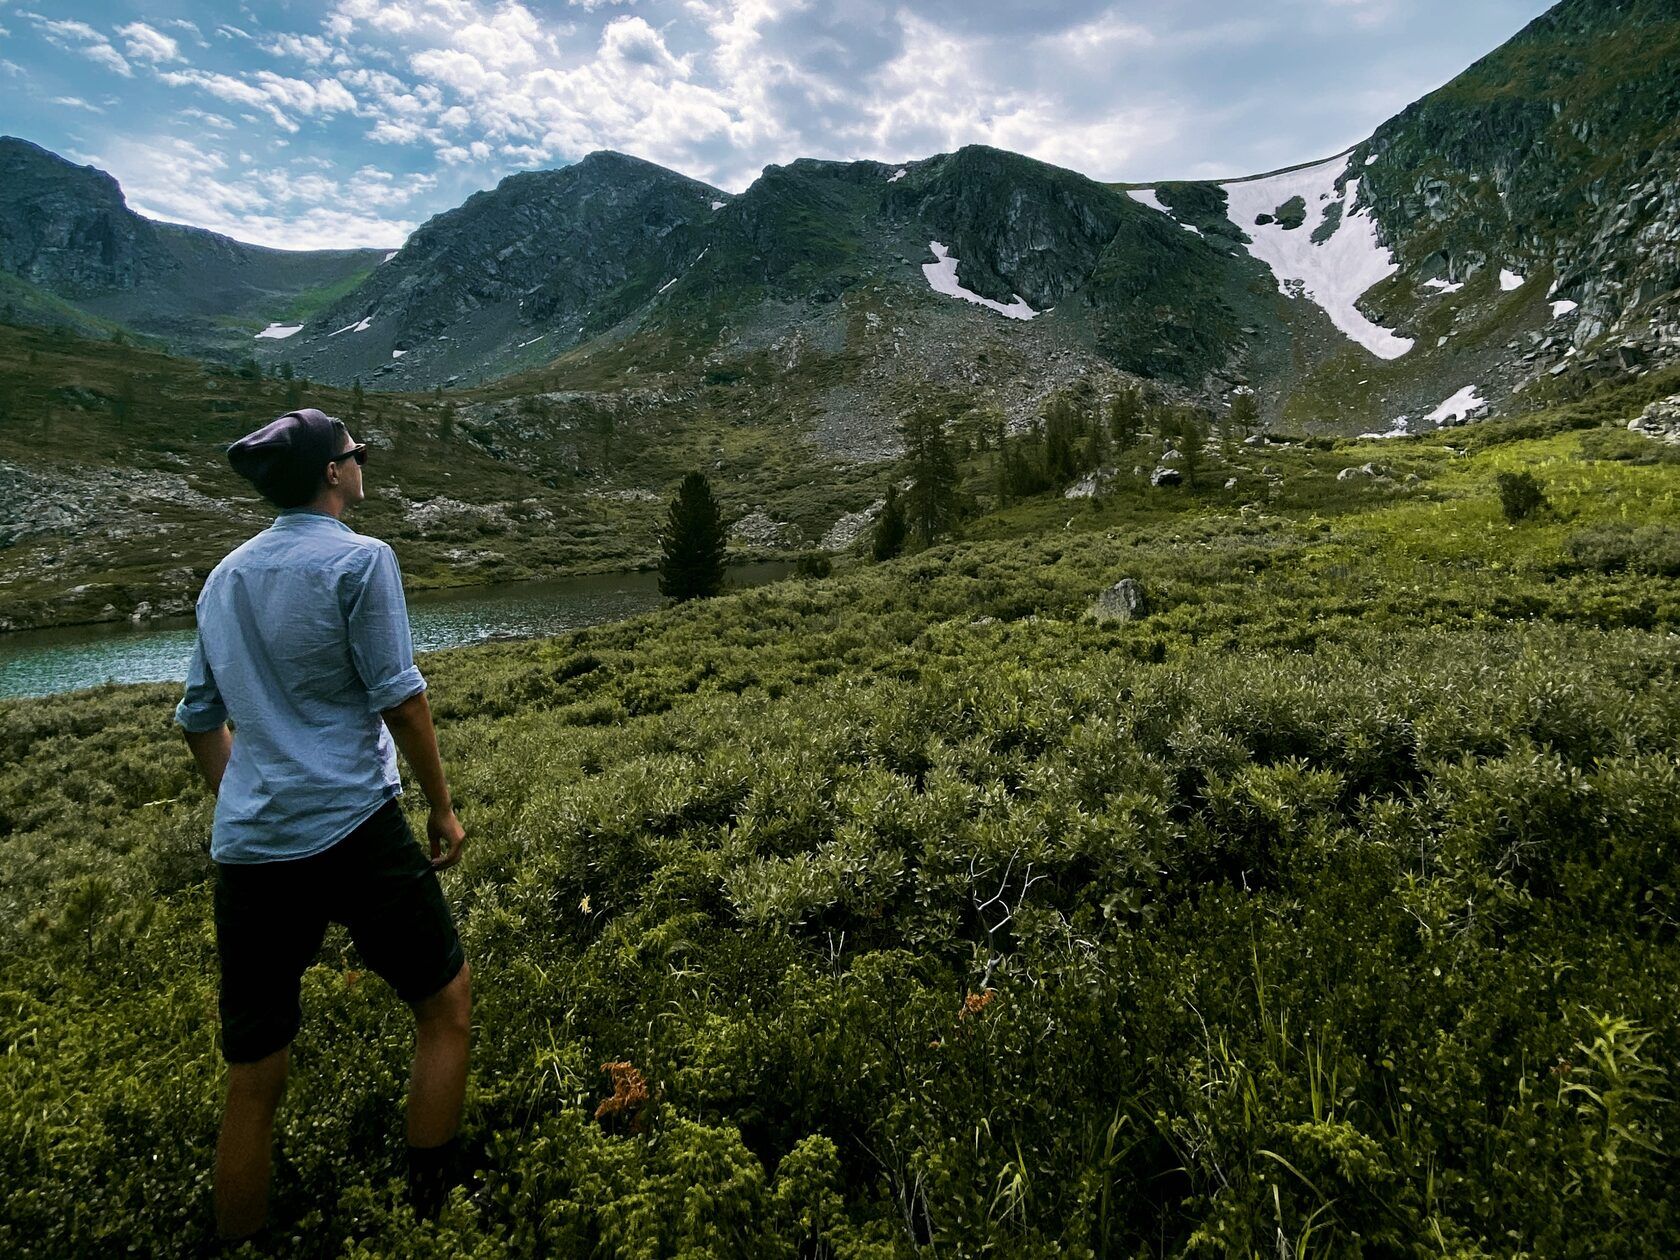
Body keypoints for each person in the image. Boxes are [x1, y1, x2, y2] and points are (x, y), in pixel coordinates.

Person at [173, 408, 470, 1241]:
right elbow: (403, 701)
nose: (361, 463)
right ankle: (430, 1218)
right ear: (333, 475)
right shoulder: (362, 559)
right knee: (445, 1004)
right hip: (354, 826)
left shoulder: (225, 578)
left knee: (254, 1076)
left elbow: (199, 717)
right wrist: (441, 807)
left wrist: (248, 797)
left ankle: (239, 1245)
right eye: (355, 454)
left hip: (251, 852)